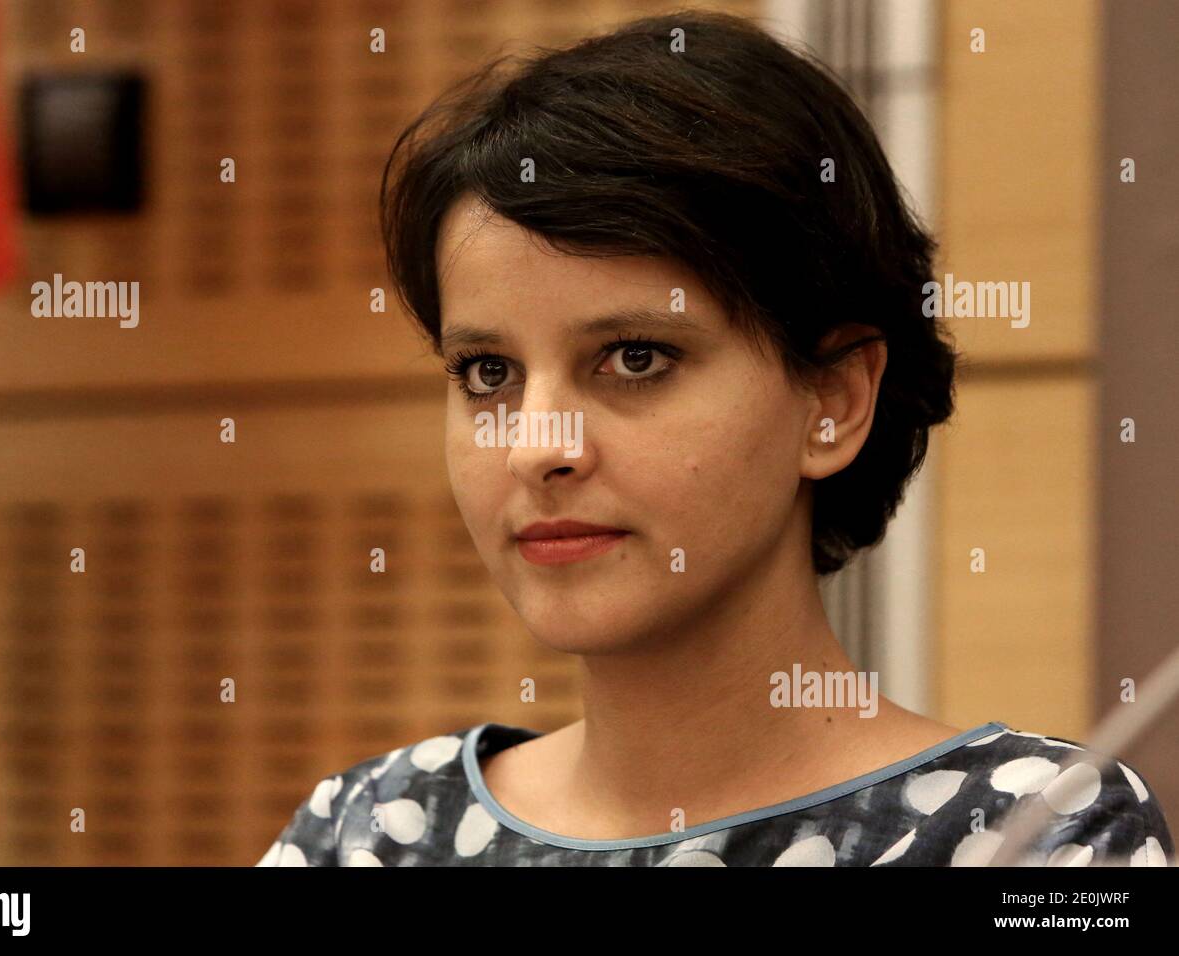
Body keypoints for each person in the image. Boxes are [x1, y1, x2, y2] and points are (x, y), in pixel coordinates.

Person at [258, 9, 1173, 866]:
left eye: (636, 357)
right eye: (487, 374)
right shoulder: (371, 832)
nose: (536, 447)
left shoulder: (1031, 834)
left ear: (835, 401)